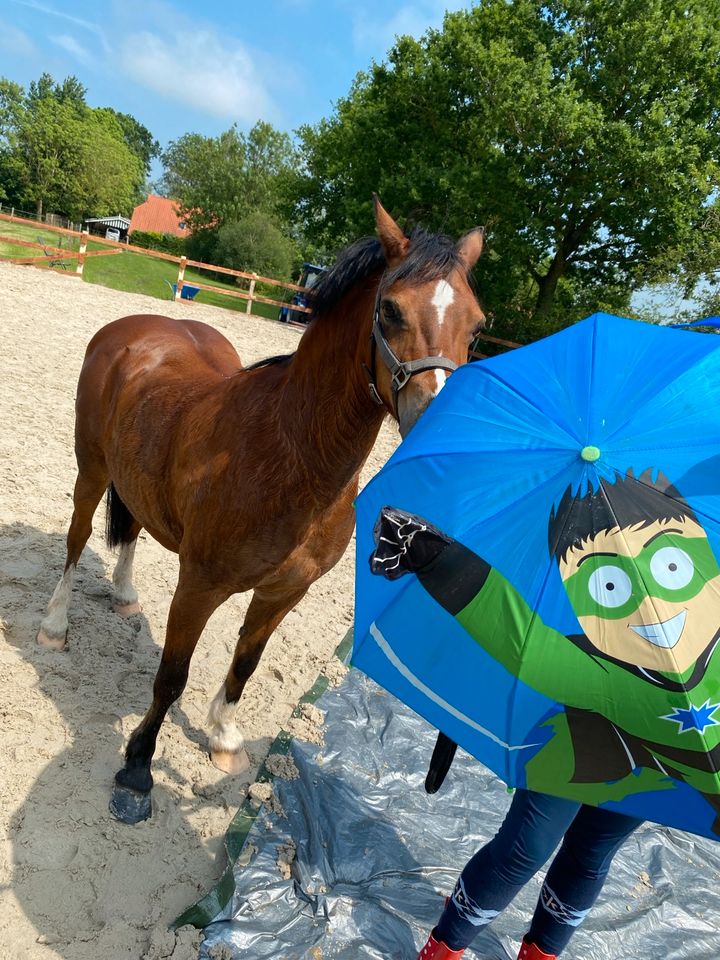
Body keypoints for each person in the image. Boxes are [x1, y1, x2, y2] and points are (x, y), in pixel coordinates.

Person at [369, 469, 720, 958]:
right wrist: (435, 558)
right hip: (586, 742)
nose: (654, 607)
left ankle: (540, 953)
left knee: (592, 852)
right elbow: (527, 647)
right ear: (578, 595)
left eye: (673, 568)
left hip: (667, 768)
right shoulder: (597, 670)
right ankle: (445, 946)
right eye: (608, 588)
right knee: (525, 848)